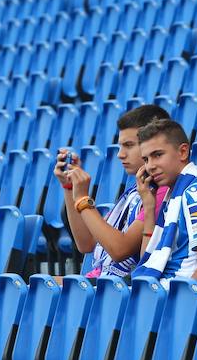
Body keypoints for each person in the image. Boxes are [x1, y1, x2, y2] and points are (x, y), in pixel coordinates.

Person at [56, 105, 172, 281]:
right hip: (102, 281)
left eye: (129, 145)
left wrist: (83, 199)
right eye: (120, 146)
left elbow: (119, 250)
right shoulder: (133, 192)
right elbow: (86, 243)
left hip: (118, 289)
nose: (120, 154)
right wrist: (70, 187)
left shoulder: (160, 193)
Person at [133, 119, 197, 287]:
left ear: (183, 152)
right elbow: (148, 260)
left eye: (157, 155)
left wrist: (181, 305)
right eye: (145, 159)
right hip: (161, 290)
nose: (150, 166)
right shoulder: (172, 196)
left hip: (179, 296)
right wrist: (149, 207)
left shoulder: (196, 194)